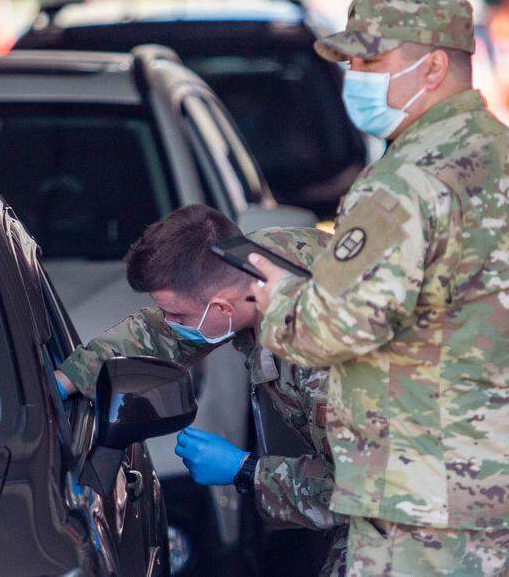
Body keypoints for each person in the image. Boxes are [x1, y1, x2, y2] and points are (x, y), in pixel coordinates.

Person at [247, 0, 509, 576]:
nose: (355, 75)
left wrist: (277, 298)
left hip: (431, 501)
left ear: (432, 67)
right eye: (351, 61)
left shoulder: (401, 184)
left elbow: (332, 330)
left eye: (371, 60)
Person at [53, 204, 348, 576]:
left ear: (222, 307)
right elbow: (158, 335)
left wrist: (246, 471)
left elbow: (366, 490)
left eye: (178, 316)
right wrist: (65, 380)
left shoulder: (322, 356)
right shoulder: (248, 261)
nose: (171, 324)